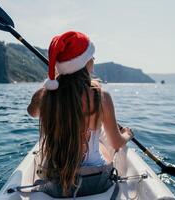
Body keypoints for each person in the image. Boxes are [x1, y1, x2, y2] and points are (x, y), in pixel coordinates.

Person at [27, 31, 133, 198]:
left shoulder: (47, 95)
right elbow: (116, 142)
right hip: (96, 181)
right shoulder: (101, 96)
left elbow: (31, 112)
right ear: (85, 62)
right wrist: (127, 135)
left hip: (56, 182)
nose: (94, 61)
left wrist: (49, 87)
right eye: (92, 57)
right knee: (102, 142)